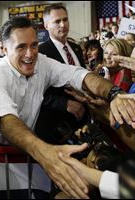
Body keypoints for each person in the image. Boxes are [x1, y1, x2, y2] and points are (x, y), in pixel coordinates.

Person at [0, 16, 131, 198]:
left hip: (31, 149)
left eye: (34, 45)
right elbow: (4, 117)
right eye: (21, 47)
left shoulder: (42, 62)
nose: (30, 54)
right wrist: (44, 153)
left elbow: (78, 75)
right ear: (4, 50)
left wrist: (115, 94)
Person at [35, 4, 87, 144]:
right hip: (57, 126)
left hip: (83, 120)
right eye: (57, 21)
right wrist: (65, 103)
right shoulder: (40, 53)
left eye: (65, 19)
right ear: (46, 25)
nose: (63, 25)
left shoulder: (76, 48)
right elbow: (35, 91)